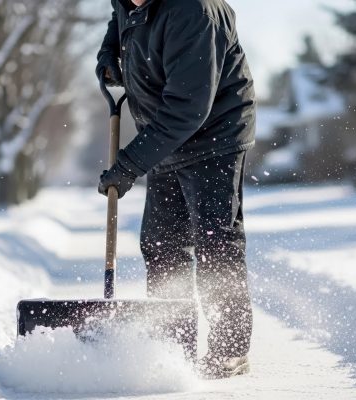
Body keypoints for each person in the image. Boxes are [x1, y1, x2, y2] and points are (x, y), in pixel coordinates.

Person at [96, 0, 255, 379]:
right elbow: (118, 25)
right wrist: (108, 55)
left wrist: (128, 166)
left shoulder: (194, 11)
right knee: (162, 243)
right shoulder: (128, 2)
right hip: (166, 137)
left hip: (213, 137)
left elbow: (188, 108)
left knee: (214, 241)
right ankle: (173, 345)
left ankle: (229, 350)